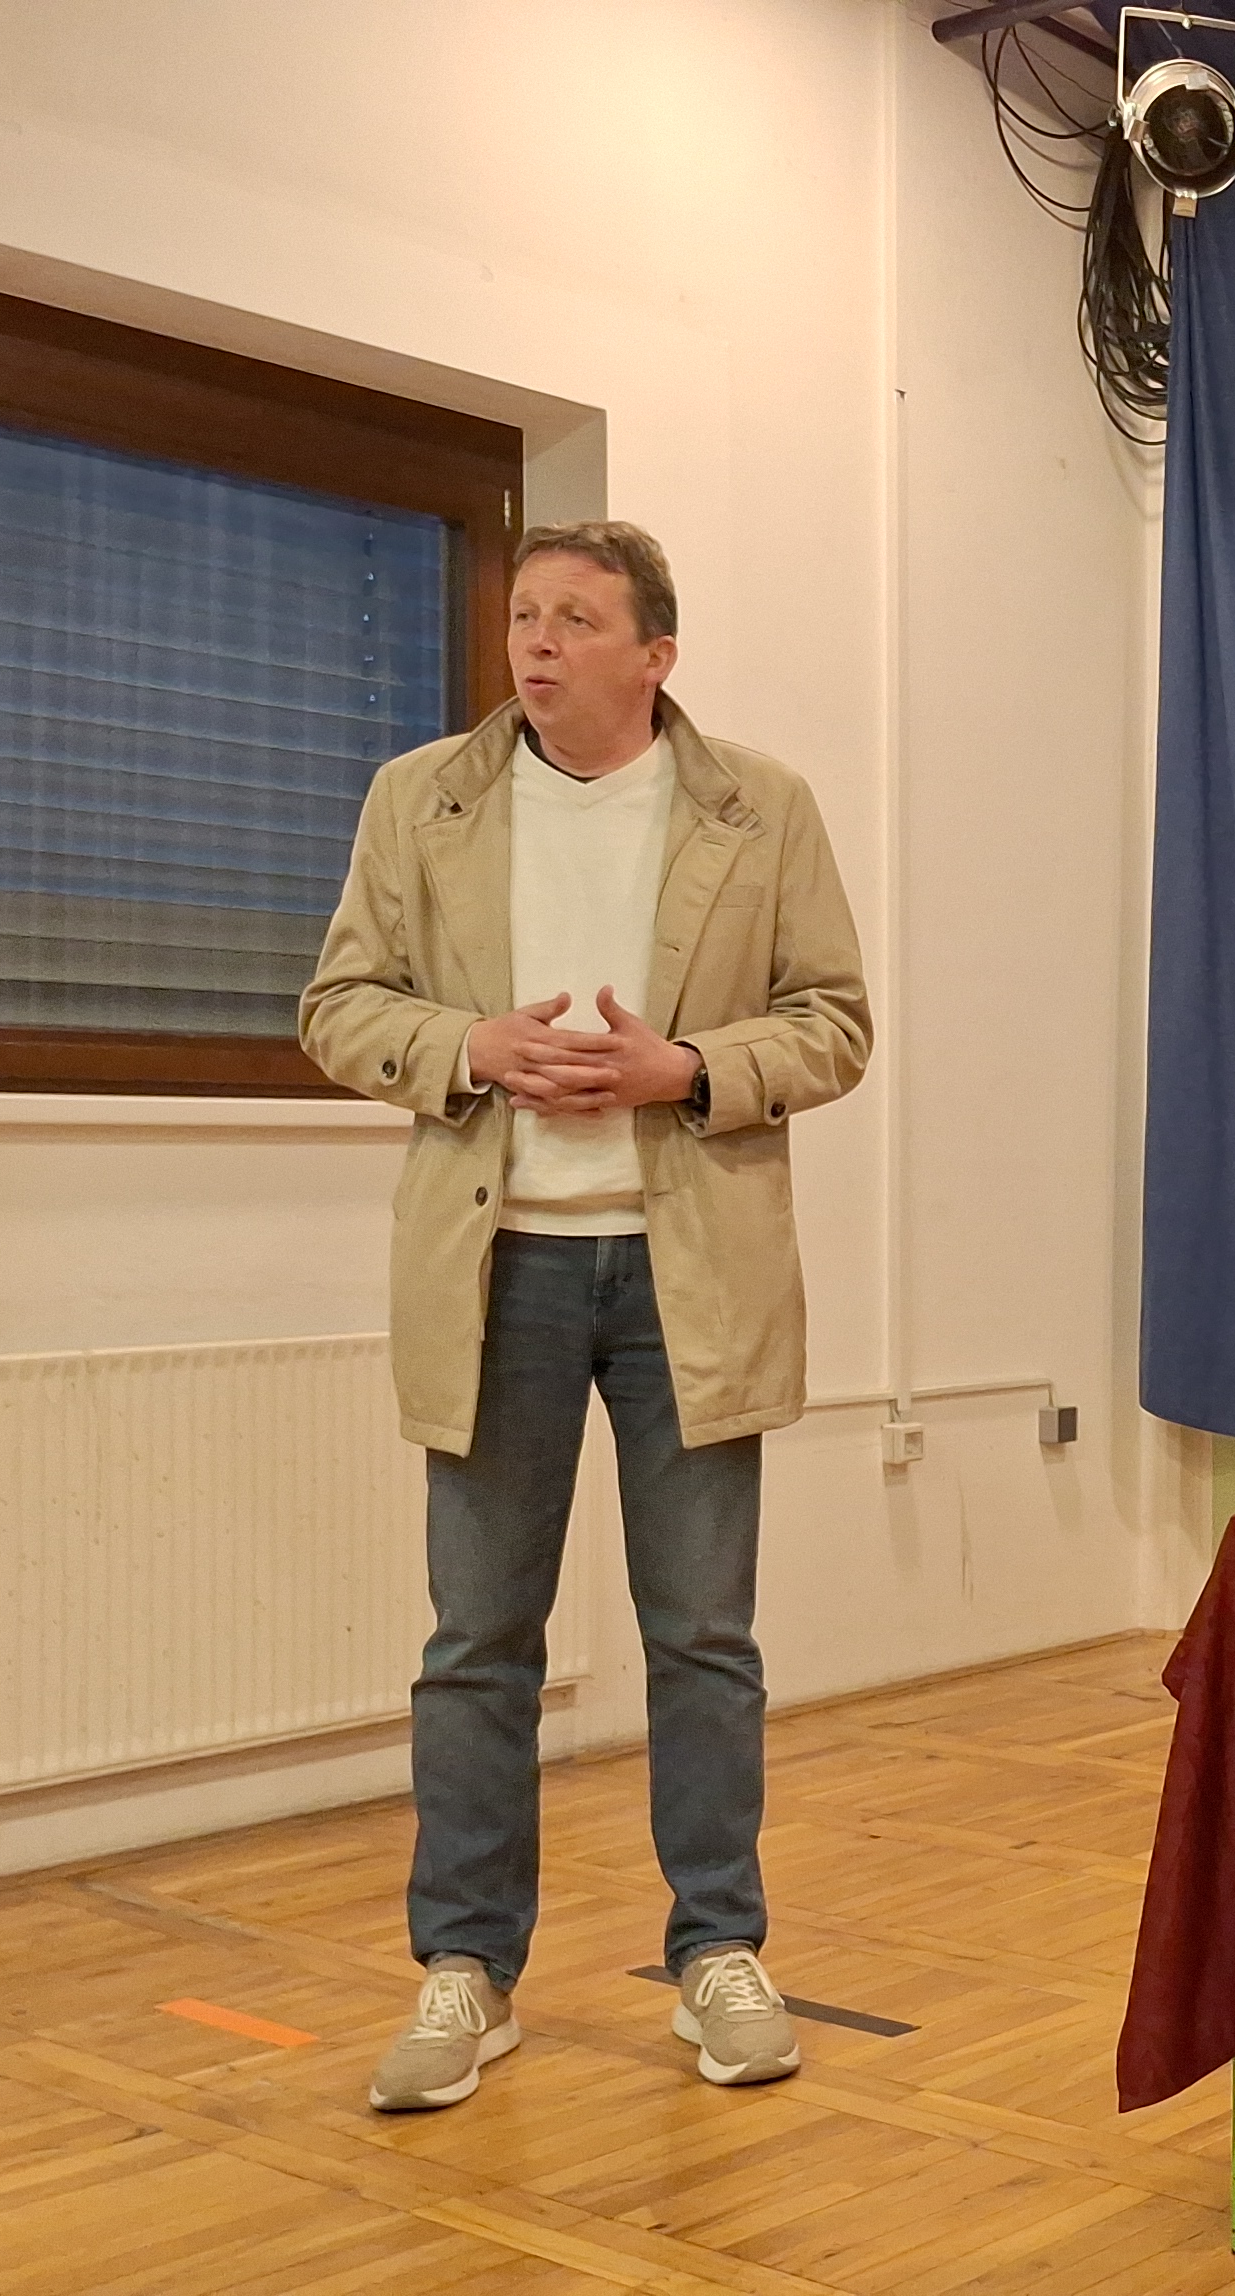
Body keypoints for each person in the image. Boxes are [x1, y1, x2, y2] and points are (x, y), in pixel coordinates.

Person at [302, 521, 872, 2112]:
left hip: (691, 1276)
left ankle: (719, 1954)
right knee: (478, 1642)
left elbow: (835, 1024)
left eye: (574, 618)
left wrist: (682, 1070)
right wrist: (469, 1047)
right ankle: (465, 1970)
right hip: (500, 1273)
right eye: (524, 615)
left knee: (704, 1638)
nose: (535, 642)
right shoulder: (420, 799)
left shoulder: (760, 807)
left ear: (655, 655)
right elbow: (338, 1005)